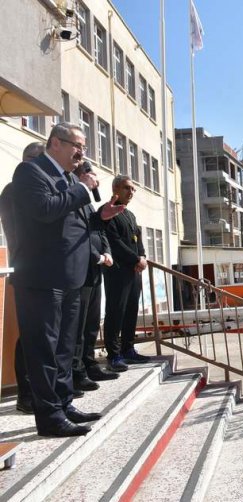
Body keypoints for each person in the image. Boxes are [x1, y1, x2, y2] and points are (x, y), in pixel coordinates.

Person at [11, 123, 104, 437]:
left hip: (70, 277)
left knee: (65, 347)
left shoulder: (67, 178)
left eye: (84, 147)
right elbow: (45, 210)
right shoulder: (31, 172)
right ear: (55, 143)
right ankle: (49, 417)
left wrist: (99, 214)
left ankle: (64, 403)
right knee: (45, 351)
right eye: (76, 145)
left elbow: (77, 221)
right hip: (42, 277)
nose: (81, 153)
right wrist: (81, 188)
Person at [0, 141, 45, 413]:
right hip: (30, 269)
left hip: (46, 271)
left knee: (45, 335)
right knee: (31, 335)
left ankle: (43, 391)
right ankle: (25, 393)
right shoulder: (14, 190)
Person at [71, 162, 118, 390]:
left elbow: (98, 231)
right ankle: (77, 370)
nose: (95, 182)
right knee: (78, 326)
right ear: (80, 177)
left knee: (91, 323)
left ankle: (89, 364)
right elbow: (77, 238)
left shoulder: (89, 204)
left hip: (95, 271)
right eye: (92, 177)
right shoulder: (73, 201)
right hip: (82, 270)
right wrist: (97, 257)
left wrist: (106, 252)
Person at [102, 175, 150, 371]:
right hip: (117, 272)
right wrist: (135, 259)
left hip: (133, 272)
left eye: (132, 189)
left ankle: (128, 349)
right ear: (115, 189)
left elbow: (136, 239)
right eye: (126, 188)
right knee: (116, 312)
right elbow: (114, 242)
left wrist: (143, 256)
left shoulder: (129, 215)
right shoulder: (108, 212)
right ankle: (114, 355)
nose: (130, 192)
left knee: (131, 311)